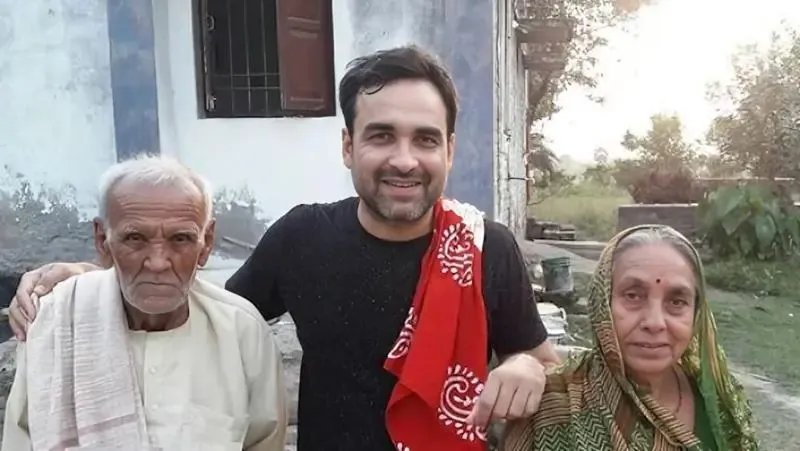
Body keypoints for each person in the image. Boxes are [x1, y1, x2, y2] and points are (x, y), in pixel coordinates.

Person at [9, 45, 560, 451]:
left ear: (450, 150)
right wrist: (93, 277)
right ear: (348, 146)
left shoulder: (486, 247)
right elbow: (206, 307)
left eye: (425, 139)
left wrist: (528, 369)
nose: (404, 159)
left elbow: (540, 361)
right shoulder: (302, 237)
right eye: (381, 135)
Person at [2, 156, 287, 450]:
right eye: (135, 238)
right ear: (102, 241)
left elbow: (264, 442)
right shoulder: (53, 321)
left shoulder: (242, 331)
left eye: (181, 239)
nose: (158, 262)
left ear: (206, 243)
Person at [502, 225, 758, 451]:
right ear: (602, 302)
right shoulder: (549, 405)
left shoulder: (720, 400)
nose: (655, 323)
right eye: (633, 296)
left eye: (677, 302)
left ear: (696, 314)